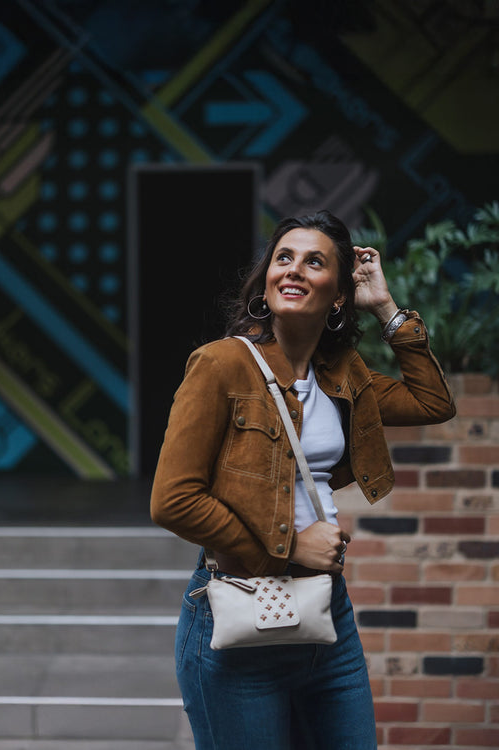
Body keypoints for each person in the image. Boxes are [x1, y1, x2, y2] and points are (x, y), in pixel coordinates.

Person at [150, 210, 456, 750]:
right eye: (283, 258)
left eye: (315, 262)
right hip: (238, 611)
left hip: (326, 617)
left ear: (338, 294)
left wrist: (385, 306)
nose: (292, 270)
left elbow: (432, 401)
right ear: (266, 281)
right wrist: (288, 547)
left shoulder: (343, 375)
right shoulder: (220, 365)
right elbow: (173, 501)